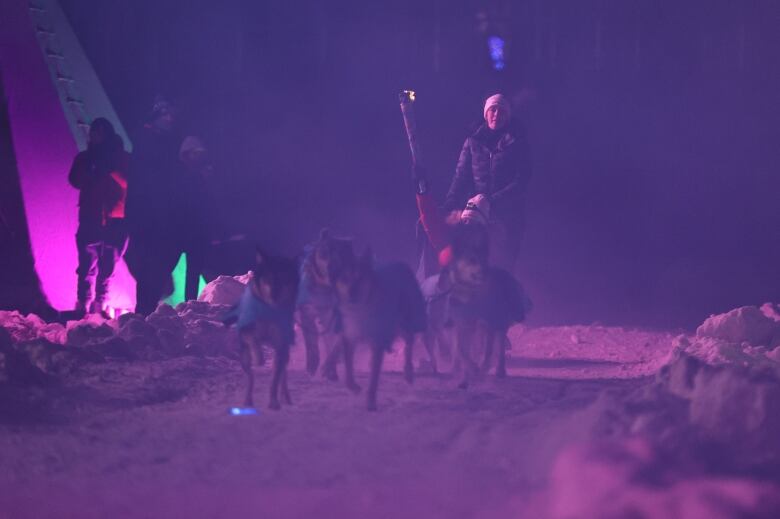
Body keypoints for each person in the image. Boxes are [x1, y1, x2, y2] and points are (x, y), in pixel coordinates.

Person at [443, 93, 532, 272]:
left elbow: (522, 180)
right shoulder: (473, 142)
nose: (496, 115)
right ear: (486, 113)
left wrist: (493, 202)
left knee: (503, 265)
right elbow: (460, 177)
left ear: (508, 116)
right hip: (476, 213)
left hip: (508, 215)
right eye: (493, 110)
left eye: (501, 111)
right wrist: (450, 204)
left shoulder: (517, 143)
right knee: (472, 259)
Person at [125, 96, 186, 314]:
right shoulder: (147, 140)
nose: (170, 119)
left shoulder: (166, 142)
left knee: (158, 262)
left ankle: (148, 306)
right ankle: (144, 309)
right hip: (147, 213)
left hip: (161, 213)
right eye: (166, 114)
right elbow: (147, 177)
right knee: (148, 263)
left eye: (172, 115)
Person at [68, 118, 130, 316]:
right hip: (91, 216)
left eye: (99, 133)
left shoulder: (121, 159)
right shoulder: (85, 159)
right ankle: (84, 303)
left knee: (108, 265)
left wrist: (110, 170)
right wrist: (90, 171)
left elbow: (130, 181)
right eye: (94, 133)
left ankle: (100, 303)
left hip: (114, 218)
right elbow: (74, 180)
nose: (95, 137)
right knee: (86, 264)